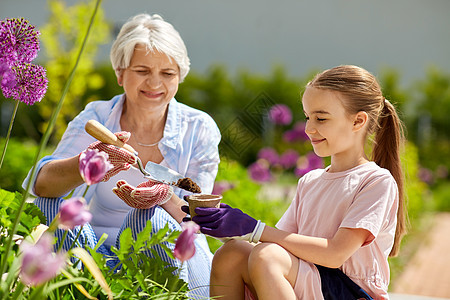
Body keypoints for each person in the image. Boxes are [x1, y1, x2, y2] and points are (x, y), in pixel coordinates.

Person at [23, 13, 220, 298]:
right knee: (49, 206)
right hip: (96, 253)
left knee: (149, 218)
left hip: (173, 257)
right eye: (142, 71)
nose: (155, 83)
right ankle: (85, 291)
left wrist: (164, 196)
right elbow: (41, 184)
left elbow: (200, 221)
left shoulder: (199, 127)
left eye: (167, 73)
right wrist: (87, 163)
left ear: (180, 76)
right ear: (119, 73)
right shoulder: (98, 116)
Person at [184, 65, 406, 299]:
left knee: (267, 256)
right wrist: (226, 228)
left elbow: (334, 254)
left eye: (321, 118)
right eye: (307, 117)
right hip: (316, 282)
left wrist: (253, 228)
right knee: (232, 254)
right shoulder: (310, 181)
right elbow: (278, 245)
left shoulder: (375, 181)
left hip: (352, 292)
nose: (309, 128)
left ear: (358, 121)